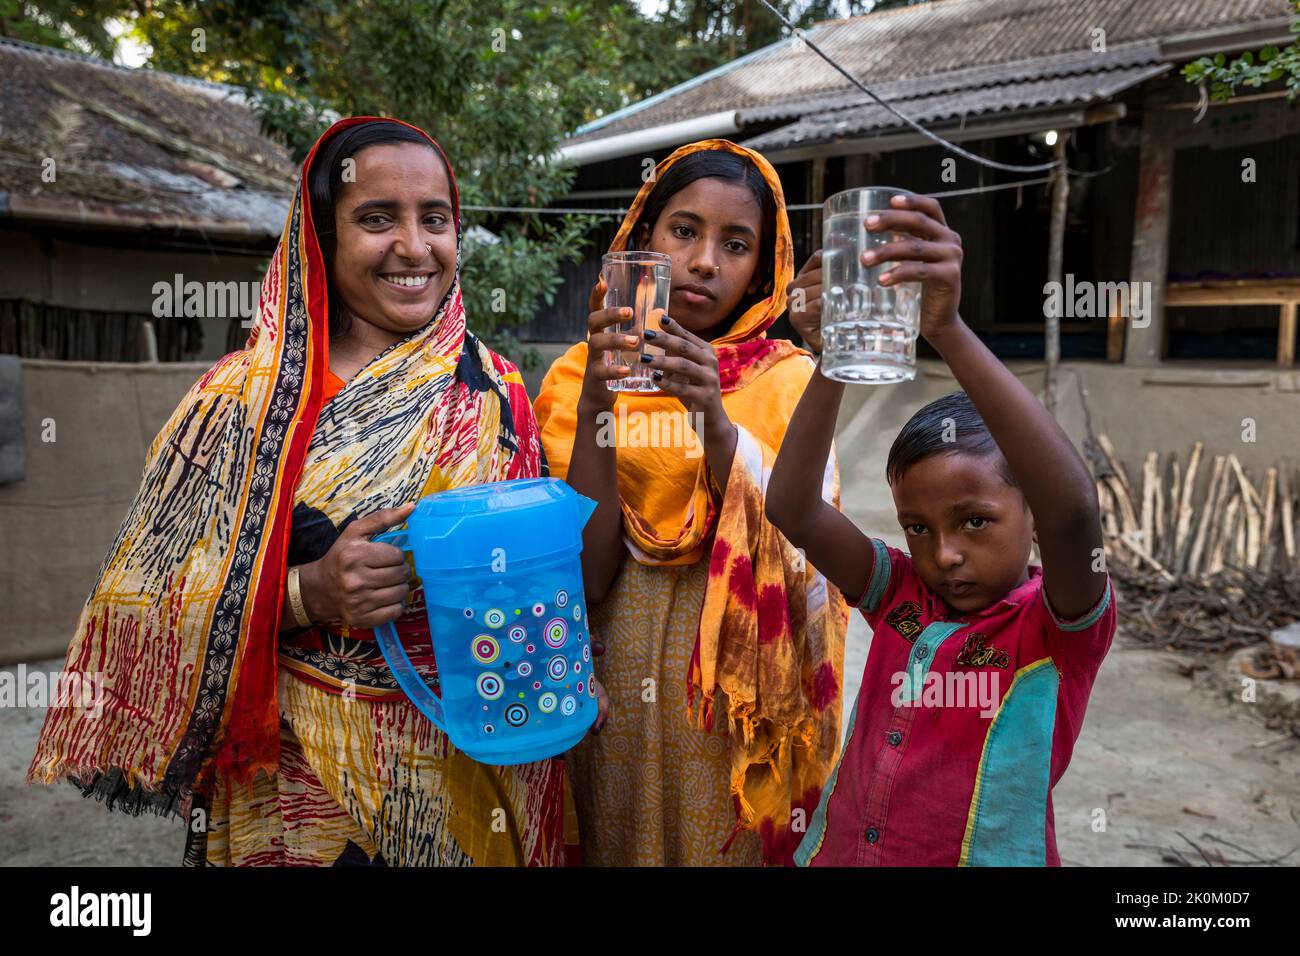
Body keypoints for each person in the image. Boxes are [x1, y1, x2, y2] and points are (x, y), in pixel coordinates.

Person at [28, 116, 600, 866]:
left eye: (435, 219)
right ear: (320, 238)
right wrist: (306, 595)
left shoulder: (493, 393)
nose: (413, 246)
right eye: (375, 219)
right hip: (298, 791)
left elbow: (538, 584)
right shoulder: (237, 403)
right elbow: (137, 604)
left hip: (475, 773)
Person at [766, 192, 1114, 866]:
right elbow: (793, 510)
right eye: (917, 528)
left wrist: (947, 328)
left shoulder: (1057, 629)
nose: (945, 554)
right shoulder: (900, 596)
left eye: (976, 521)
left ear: (1031, 516)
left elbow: (1074, 515)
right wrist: (836, 356)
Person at [534, 140, 848, 866]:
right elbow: (583, 578)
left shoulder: (791, 381)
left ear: (763, 267)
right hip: (611, 683)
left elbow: (809, 548)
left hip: (738, 703)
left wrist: (714, 419)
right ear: (642, 240)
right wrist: (596, 406)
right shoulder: (580, 374)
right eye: (684, 231)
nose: (706, 261)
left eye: (736, 244)